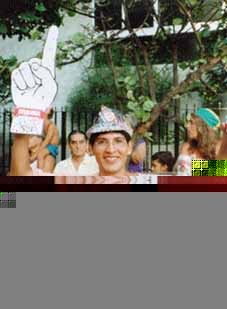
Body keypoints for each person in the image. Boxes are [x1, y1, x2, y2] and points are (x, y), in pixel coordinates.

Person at [175, 108, 222, 175]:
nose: (187, 126)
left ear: (203, 127)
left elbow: (221, 174)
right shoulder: (187, 146)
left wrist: (192, 167)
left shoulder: (219, 146)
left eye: (191, 123)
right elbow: (182, 173)